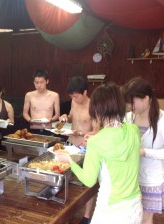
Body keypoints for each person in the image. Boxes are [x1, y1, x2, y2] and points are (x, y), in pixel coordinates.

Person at [57, 82, 142, 224]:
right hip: (134, 205)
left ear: (97, 109)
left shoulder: (96, 142)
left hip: (110, 208)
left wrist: (70, 161)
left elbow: (89, 180)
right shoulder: (134, 130)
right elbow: (117, 141)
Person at [122, 77, 164, 224]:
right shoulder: (129, 117)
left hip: (151, 179)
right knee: (131, 217)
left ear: (146, 98)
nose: (129, 105)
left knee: (146, 219)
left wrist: (145, 152)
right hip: (131, 176)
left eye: (132, 101)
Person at [58, 76, 98, 223]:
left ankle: (87, 216)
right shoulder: (74, 102)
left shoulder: (94, 106)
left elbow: (97, 131)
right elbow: (71, 117)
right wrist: (65, 118)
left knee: (88, 182)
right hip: (70, 143)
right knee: (66, 178)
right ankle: (67, 212)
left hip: (86, 147)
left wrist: (81, 133)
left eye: (76, 95)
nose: (73, 97)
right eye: (71, 95)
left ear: (85, 92)